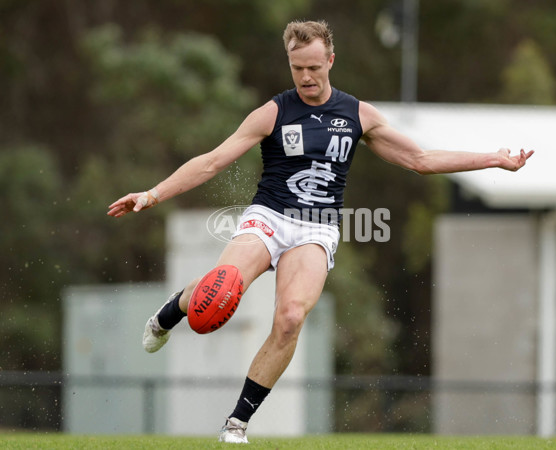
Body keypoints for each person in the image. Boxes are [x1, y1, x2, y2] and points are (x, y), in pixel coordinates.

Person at [107, 20, 533, 443]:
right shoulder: (273, 112)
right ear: (289, 64)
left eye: (314, 67)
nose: (306, 77)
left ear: (330, 60)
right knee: (225, 285)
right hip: (269, 216)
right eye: (298, 69)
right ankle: (169, 314)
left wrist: (493, 159)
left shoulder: (357, 114)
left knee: (291, 318)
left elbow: (420, 159)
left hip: (317, 228)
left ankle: (236, 424)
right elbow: (212, 161)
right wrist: (152, 194)